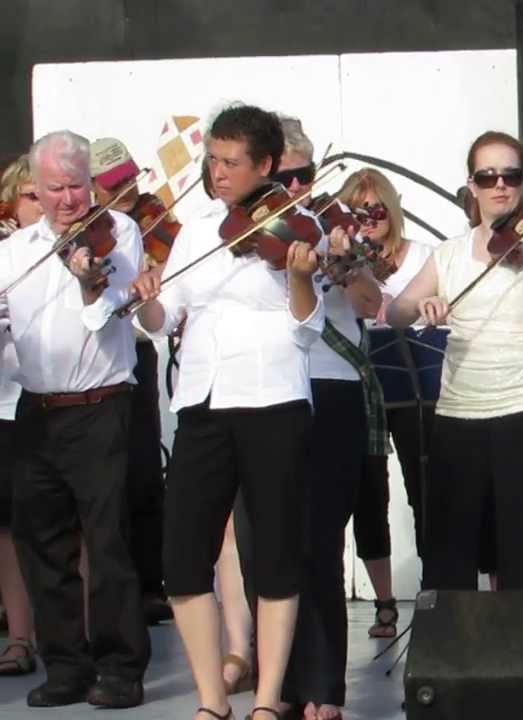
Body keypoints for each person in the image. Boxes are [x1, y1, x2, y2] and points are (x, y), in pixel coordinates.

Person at [130, 103, 322, 720]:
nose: (216, 172)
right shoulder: (196, 228)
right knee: (184, 552)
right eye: (211, 159)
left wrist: (298, 278)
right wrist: (148, 299)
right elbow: (164, 321)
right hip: (202, 400)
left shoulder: (295, 224)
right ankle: (212, 699)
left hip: (272, 399)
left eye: (230, 163)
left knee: (274, 552)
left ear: (265, 164)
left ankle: (268, 700)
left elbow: (306, 326)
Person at [385, 130, 523, 592]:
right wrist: (423, 305)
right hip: (460, 414)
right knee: (451, 550)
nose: (500, 186)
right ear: (471, 185)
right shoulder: (449, 254)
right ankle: (455, 657)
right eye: (487, 176)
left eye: (510, 176)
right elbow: (395, 313)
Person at [0, 130, 150, 707]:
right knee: (43, 543)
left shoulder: (118, 233)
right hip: (36, 409)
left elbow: (108, 313)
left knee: (107, 541)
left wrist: (90, 282)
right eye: (55, 189)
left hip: (101, 404)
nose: (68, 200)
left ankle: (120, 667)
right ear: (34, 189)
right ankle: (64, 664)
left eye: (77, 187)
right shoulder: (17, 252)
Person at [276, 117, 381, 720]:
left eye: (304, 174)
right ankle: (280, 681)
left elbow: (373, 304)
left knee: (320, 536)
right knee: (273, 540)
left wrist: (349, 269)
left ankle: (323, 684)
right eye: (284, 175)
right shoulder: (243, 231)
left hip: (330, 384)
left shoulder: (336, 225)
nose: (295, 187)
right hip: (267, 386)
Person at [336, 167, 432, 634]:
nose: (367, 220)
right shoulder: (340, 262)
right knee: (366, 497)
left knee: (426, 491)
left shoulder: (422, 258)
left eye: (375, 210)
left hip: (414, 386)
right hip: (362, 384)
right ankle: (385, 602)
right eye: (356, 212)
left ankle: (437, 593)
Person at [87, 137, 172, 626]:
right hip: (98, 356)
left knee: (142, 470)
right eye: (115, 183)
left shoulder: (139, 220)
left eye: (131, 177)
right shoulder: (95, 230)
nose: (129, 188)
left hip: (134, 350)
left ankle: (148, 583)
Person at [0, 154, 40, 676]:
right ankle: (20, 636)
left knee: (73, 525)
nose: (41, 205)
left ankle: (86, 633)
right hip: (7, 398)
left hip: (58, 396)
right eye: (29, 196)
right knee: (9, 525)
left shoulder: (84, 243)